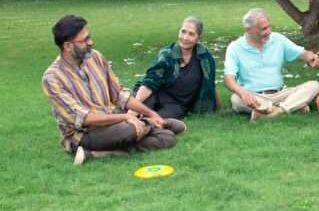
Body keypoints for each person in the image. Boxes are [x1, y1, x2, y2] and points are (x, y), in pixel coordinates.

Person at [42, 15, 182, 166]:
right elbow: (84, 119)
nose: (91, 42)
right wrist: (125, 117)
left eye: (89, 37)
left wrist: (151, 113)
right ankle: (149, 125)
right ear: (68, 46)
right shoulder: (52, 78)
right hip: (83, 134)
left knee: (168, 138)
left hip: (111, 125)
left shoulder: (95, 57)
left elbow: (120, 94)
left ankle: (98, 154)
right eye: (85, 40)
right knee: (131, 130)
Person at [224, 8, 319, 121]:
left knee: (314, 85)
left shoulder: (277, 39)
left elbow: (303, 54)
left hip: (281, 93)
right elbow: (228, 79)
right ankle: (293, 105)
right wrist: (242, 93)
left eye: (269, 27)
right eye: (264, 29)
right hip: (254, 96)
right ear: (248, 29)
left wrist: (311, 58)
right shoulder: (235, 47)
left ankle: (275, 110)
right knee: (236, 99)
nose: (269, 31)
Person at [133, 16, 218, 120]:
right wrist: (134, 107)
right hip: (155, 94)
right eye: (183, 32)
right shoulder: (166, 55)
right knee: (138, 112)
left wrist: (217, 107)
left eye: (191, 34)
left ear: (198, 38)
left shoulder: (205, 58)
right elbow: (149, 82)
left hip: (177, 104)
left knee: (158, 120)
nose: (185, 38)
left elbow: (209, 84)